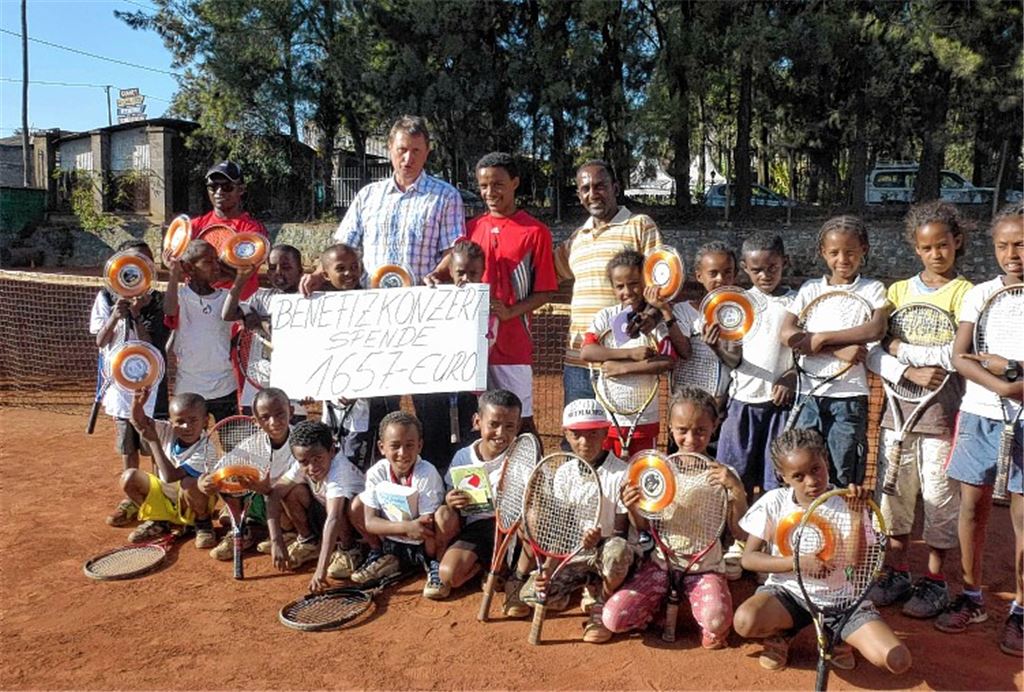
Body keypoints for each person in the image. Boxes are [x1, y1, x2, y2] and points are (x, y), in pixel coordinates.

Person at [301, 116, 466, 470]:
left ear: (428, 152)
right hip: (373, 325)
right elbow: (343, 246)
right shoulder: (368, 196)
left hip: (424, 319)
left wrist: (435, 275)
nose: (408, 158)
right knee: (378, 411)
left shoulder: (446, 196)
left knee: (431, 408)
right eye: (402, 150)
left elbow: (455, 251)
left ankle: (433, 485)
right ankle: (373, 490)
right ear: (390, 149)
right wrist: (317, 274)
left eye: (416, 151)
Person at [865, 202, 972, 620]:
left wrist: (926, 362)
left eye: (943, 245)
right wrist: (906, 364)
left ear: (957, 243)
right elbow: (876, 347)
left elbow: (963, 352)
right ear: (916, 248)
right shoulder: (897, 292)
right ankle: (896, 573)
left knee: (940, 500)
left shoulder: (967, 293)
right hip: (897, 418)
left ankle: (935, 580)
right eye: (926, 247)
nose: (935, 254)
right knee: (894, 500)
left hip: (942, 420)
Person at [734, 428, 912, 675]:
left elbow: (854, 564)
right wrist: (796, 563)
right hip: (787, 595)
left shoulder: (848, 503)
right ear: (783, 476)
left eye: (816, 469)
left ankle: (835, 636)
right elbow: (749, 559)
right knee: (745, 621)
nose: (811, 481)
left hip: (840, 600)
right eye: (798, 476)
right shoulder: (774, 501)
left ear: (826, 461)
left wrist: (854, 514)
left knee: (898, 660)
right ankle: (783, 631)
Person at [938, 202, 1023, 656]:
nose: (1012, 254)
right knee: (971, 509)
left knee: (1023, 519)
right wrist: (1004, 387)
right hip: (978, 415)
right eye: (1003, 245)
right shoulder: (980, 293)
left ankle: (1022, 612)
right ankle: (972, 597)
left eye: (1021, 244)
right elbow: (960, 355)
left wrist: (1014, 373)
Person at [425, 152, 558, 435]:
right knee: (479, 424)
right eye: (483, 186)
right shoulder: (469, 230)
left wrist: (510, 311)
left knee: (519, 422)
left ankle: (533, 477)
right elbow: (447, 272)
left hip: (513, 347)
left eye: (497, 184)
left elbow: (545, 291)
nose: (489, 192)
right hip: (472, 348)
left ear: (515, 183)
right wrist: (435, 277)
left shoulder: (536, 232)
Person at [603, 388, 746, 649]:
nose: (690, 438)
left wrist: (737, 490)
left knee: (716, 624)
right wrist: (633, 506)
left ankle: (704, 617)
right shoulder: (656, 472)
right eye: (682, 429)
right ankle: (656, 610)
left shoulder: (724, 476)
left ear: (714, 427)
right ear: (670, 428)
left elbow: (740, 534)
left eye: (700, 430)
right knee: (613, 619)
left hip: (705, 569)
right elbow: (646, 528)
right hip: (661, 566)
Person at [779, 215, 889, 487]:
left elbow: (875, 329)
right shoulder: (810, 289)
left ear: (863, 250)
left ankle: (842, 526)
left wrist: (822, 338)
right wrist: (838, 351)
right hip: (808, 396)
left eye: (850, 252)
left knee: (843, 472)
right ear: (823, 253)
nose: (843, 259)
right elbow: (787, 334)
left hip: (849, 398)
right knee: (804, 470)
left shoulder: (873, 289)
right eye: (835, 253)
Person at [519, 398, 637, 644]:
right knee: (532, 594)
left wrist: (597, 541)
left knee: (617, 552)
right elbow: (562, 532)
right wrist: (548, 572)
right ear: (566, 434)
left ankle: (601, 602)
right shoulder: (563, 473)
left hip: (609, 550)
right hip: (577, 551)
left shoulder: (621, 473)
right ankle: (584, 586)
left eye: (593, 434)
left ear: (606, 432)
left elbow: (621, 534)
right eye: (576, 435)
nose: (585, 442)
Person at [554, 160, 662, 407]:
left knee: (622, 442)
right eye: (585, 189)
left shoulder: (641, 225)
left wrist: (651, 316)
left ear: (615, 187)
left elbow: (661, 286)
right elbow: (545, 274)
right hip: (578, 362)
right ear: (579, 195)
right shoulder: (576, 240)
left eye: (600, 186)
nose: (593, 194)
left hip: (625, 360)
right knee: (581, 441)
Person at [91, 240, 170, 527]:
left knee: (155, 443)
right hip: (120, 389)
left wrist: (136, 315)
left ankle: (162, 499)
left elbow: (153, 345)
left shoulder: (157, 300)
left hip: (151, 386)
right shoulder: (106, 297)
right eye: (132, 261)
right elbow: (100, 340)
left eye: (145, 262)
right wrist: (115, 315)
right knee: (128, 446)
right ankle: (133, 499)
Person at [718, 233, 796, 498]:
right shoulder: (738, 303)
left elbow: (806, 356)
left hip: (780, 406)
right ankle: (734, 537)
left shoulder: (797, 302)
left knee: (774, 484)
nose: (765, 275)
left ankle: (767, 538)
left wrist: (792, 377)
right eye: (757, 270)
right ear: (744, 268)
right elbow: (733, 360)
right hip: (742, 403)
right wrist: (715, 345)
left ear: (785, 262)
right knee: (732, 479)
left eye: (772, 267)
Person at [580, 249, 677, 457]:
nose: (628, 291)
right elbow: (587, 352)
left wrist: (624, 368)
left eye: (634, 283)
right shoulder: (606, 316)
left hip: (645, 421)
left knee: (640, 476)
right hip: (608, 418)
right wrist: (630, 354)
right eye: (620, 286)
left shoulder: (653, 322)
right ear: (613, 288)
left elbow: (668, 360)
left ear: (646, 281)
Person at [316, 243, 401, 471]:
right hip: (334, 398)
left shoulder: (375, 300)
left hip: (368, 400)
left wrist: (362, 386)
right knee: (335, 454)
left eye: (354, 267)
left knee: (363, 459)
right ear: (325, 274)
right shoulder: (316, 306)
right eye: (341, 268)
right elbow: (317, 353)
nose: (349, 273)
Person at [432, 389, 522, 599]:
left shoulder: (523, 456)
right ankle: (482, 569)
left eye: (509, 426)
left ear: (518, 427)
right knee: (449, 575)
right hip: (476, 528)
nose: (501, 433)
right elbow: (449, 493)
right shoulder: (463, 456)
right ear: (477, 421)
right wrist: (450, 499)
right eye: (493, 424)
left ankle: (509, 571)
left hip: (512, 531)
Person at [351, 411, 447, 599]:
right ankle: (382, 554)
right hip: (394, 538)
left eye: (409, 445)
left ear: (420, 445)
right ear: (381, 447)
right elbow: (369, 523)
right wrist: (406, 527)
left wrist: (409, 529)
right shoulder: (376, 472)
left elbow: (427, 524)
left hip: (424, 542)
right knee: (357, 505)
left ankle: (433, 563)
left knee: (443, 517)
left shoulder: (427, 473)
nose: (402, 453)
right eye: (395, 446)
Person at [266, 420, 368, 590]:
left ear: (332, 451)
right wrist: (276, 541)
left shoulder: (340, 471)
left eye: (318, 458)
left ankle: (349, 549)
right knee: (293, 492)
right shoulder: (303, 463)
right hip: (327, 513)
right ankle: (309, 542)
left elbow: (334, 518)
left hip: (356, 523)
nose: (312, 467)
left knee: (341, 508)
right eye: (304, 461)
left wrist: (320, 572)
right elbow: (274, 495)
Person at [205, 388, 302, 562]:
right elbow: (219, 471)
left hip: (288, 503)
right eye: (265, 417)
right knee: (233, 479)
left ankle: (291, 534)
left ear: (291, 412)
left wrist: (267, 490)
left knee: (294, 492)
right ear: (256, 421)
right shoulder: (251, 444)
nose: (274, 422)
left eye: (280, 414)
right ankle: (245, 530)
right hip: (262, 500)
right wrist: (205, 482)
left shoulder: (301, 443)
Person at [122, 388, 217, 547]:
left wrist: (154, 442)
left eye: (193, 420)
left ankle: (202, 523)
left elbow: (170, 476)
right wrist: (137, 403)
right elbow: (139, 422)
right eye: (179, 421)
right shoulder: (167, 430)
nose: (187, 426)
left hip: (190, 500)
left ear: (205, 421)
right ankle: (159, 520)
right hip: (164, 494)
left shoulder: (207, 449)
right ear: (171, 422)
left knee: (189, 483)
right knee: (129, 477)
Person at [222, 244, 304, 415]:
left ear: (300, 271)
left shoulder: (306, 301)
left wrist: (260, 324)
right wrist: (240, 280)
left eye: (287, 267)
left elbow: (288, 337)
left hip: (293, 384)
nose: (279, 272)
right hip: (257, 383)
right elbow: (228, 314)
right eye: (273, 268)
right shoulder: (261, 297)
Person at [163, 239, 237, 421]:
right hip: (188, 386)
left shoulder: (227, 298)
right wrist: (173, 274)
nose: (216, 267)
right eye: (208, 262)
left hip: (224, 386)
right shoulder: (179, 296)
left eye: (216, 260)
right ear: (189, 268)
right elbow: (170, 311)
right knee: (190, 442)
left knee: (233, 445)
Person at [670, 240, 743, 408]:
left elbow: (734, 361)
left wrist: (716, 348)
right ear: (699, 275)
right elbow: (684, 352)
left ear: (735, 274)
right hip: (683, 399)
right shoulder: (683, 311)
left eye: (727, 273)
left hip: (716, 402)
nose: (721, 279)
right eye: (713, 273)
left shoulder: (738, 315)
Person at [188, 161, 268, 298]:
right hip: (197, 306)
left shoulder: (252, 230)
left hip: (237, 307)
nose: (219, 192)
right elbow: (178, 266)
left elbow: (243, 272)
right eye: (213, 186)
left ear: (241, 189)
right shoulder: (193, 226)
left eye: (227, 187)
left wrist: (200, 267)